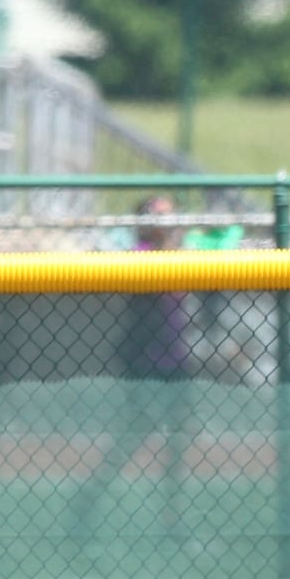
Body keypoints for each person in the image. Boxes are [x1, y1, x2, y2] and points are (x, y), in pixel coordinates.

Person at [68, 195, 196, 544]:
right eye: (159, 218)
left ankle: (173, 520)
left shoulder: (183, 254)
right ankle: (87, 504)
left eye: (171, 217)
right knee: (138, 430)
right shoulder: (141, 256)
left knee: (178, 442)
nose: (168, 224)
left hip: (175, 358)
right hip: (143, 358)